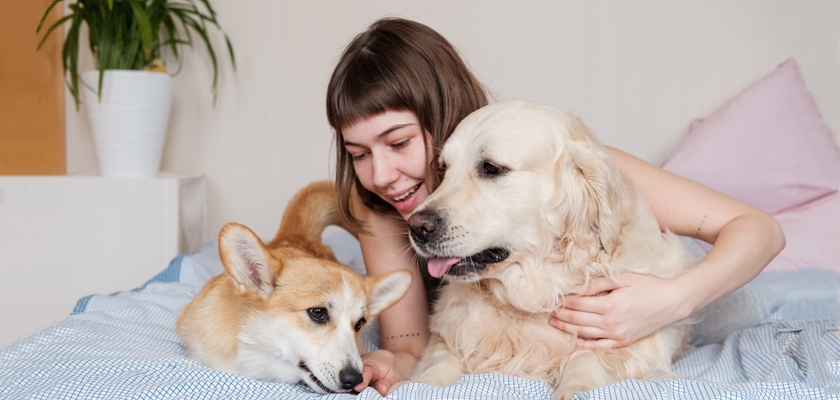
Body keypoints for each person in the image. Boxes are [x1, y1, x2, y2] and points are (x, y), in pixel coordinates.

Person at [325, 17, 785, 396]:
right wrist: (389, 360)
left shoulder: (569, 158)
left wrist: (669, 301)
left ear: (443, 117)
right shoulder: (378, 204)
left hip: (672, 285)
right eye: (359, 154)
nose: (380, 174)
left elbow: (758, 228)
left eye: (399, 142)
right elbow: (409, 342)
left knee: (738, 306)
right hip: (485, 319)